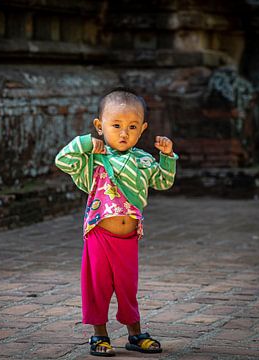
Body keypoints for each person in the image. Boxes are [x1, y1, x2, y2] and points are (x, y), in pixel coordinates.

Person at [55, 87, 178, 357]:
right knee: (97, 285)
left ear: (143, 129)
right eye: (116, 125)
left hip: (129, 238)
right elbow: (62, 159)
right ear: (100, 126)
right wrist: (87, 143)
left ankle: (135, 334)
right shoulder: (94, 161)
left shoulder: (144, 161)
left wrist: (167, 157)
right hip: (99, 234)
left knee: (127, 287)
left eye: (132, 126)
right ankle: (99, 335)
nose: (124, 133)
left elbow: (164, 181)